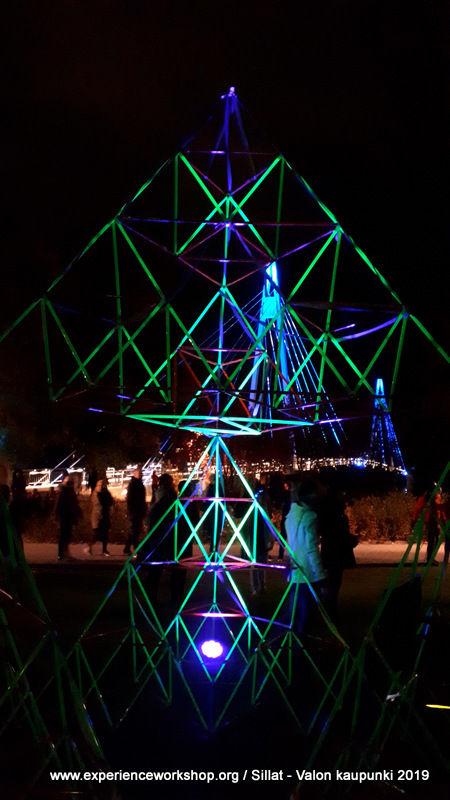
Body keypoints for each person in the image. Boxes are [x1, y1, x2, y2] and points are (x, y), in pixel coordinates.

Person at [285, 477, 327, 636]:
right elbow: (312, 549)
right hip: (308, 574)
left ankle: (291, 649)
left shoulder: (291, 515)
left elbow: (289, 542)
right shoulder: (310, 517)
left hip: (294, 572)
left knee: (294, 614)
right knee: (307, 616)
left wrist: (288, 561)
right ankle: (301, 652)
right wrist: (320, 575)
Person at [317, 481, 356, 623]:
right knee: (334, 582)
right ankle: (330, 610)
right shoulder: (336, 514)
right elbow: (338, 534)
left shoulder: (330, 513)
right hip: (336, 551)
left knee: (334, 581)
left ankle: (329, 609)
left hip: (333, 550)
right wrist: (350, 540)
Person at [138, 473, 178, 605]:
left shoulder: (157, 499)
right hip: (165, 537)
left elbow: (151, 519)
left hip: (157, 537)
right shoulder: (170, 499)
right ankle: (163, 596)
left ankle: (152, 595)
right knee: (164, 568)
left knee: (156, 568)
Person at [55, 474, 81, 560]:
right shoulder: (66, 493)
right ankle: (62, 553)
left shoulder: (68, 492)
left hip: (67, 516)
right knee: (64, 535)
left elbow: (74, 504)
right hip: (65, 517)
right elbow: (62, 506)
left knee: (66, 535)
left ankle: (64, 553)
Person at [86, 478, 114, 556]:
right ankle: (90, 546)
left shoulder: (106, 493)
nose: (101, 487)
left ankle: (104, 550)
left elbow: (110, 502)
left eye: (102, 485)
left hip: (104, 516)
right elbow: (99, 504)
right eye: (99, 485)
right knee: (96, 534)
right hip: (98, 516)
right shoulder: (96, 494)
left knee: (105, 534)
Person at [124, 468, 147, 555]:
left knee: (134, 529)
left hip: (137, 510)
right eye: (139, 473)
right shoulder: (134, 485)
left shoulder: (137, 484)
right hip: (135, 510)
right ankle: (135, 548)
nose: (141, 475)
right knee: (135, 529)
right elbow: (131, 499)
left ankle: (128, 547)